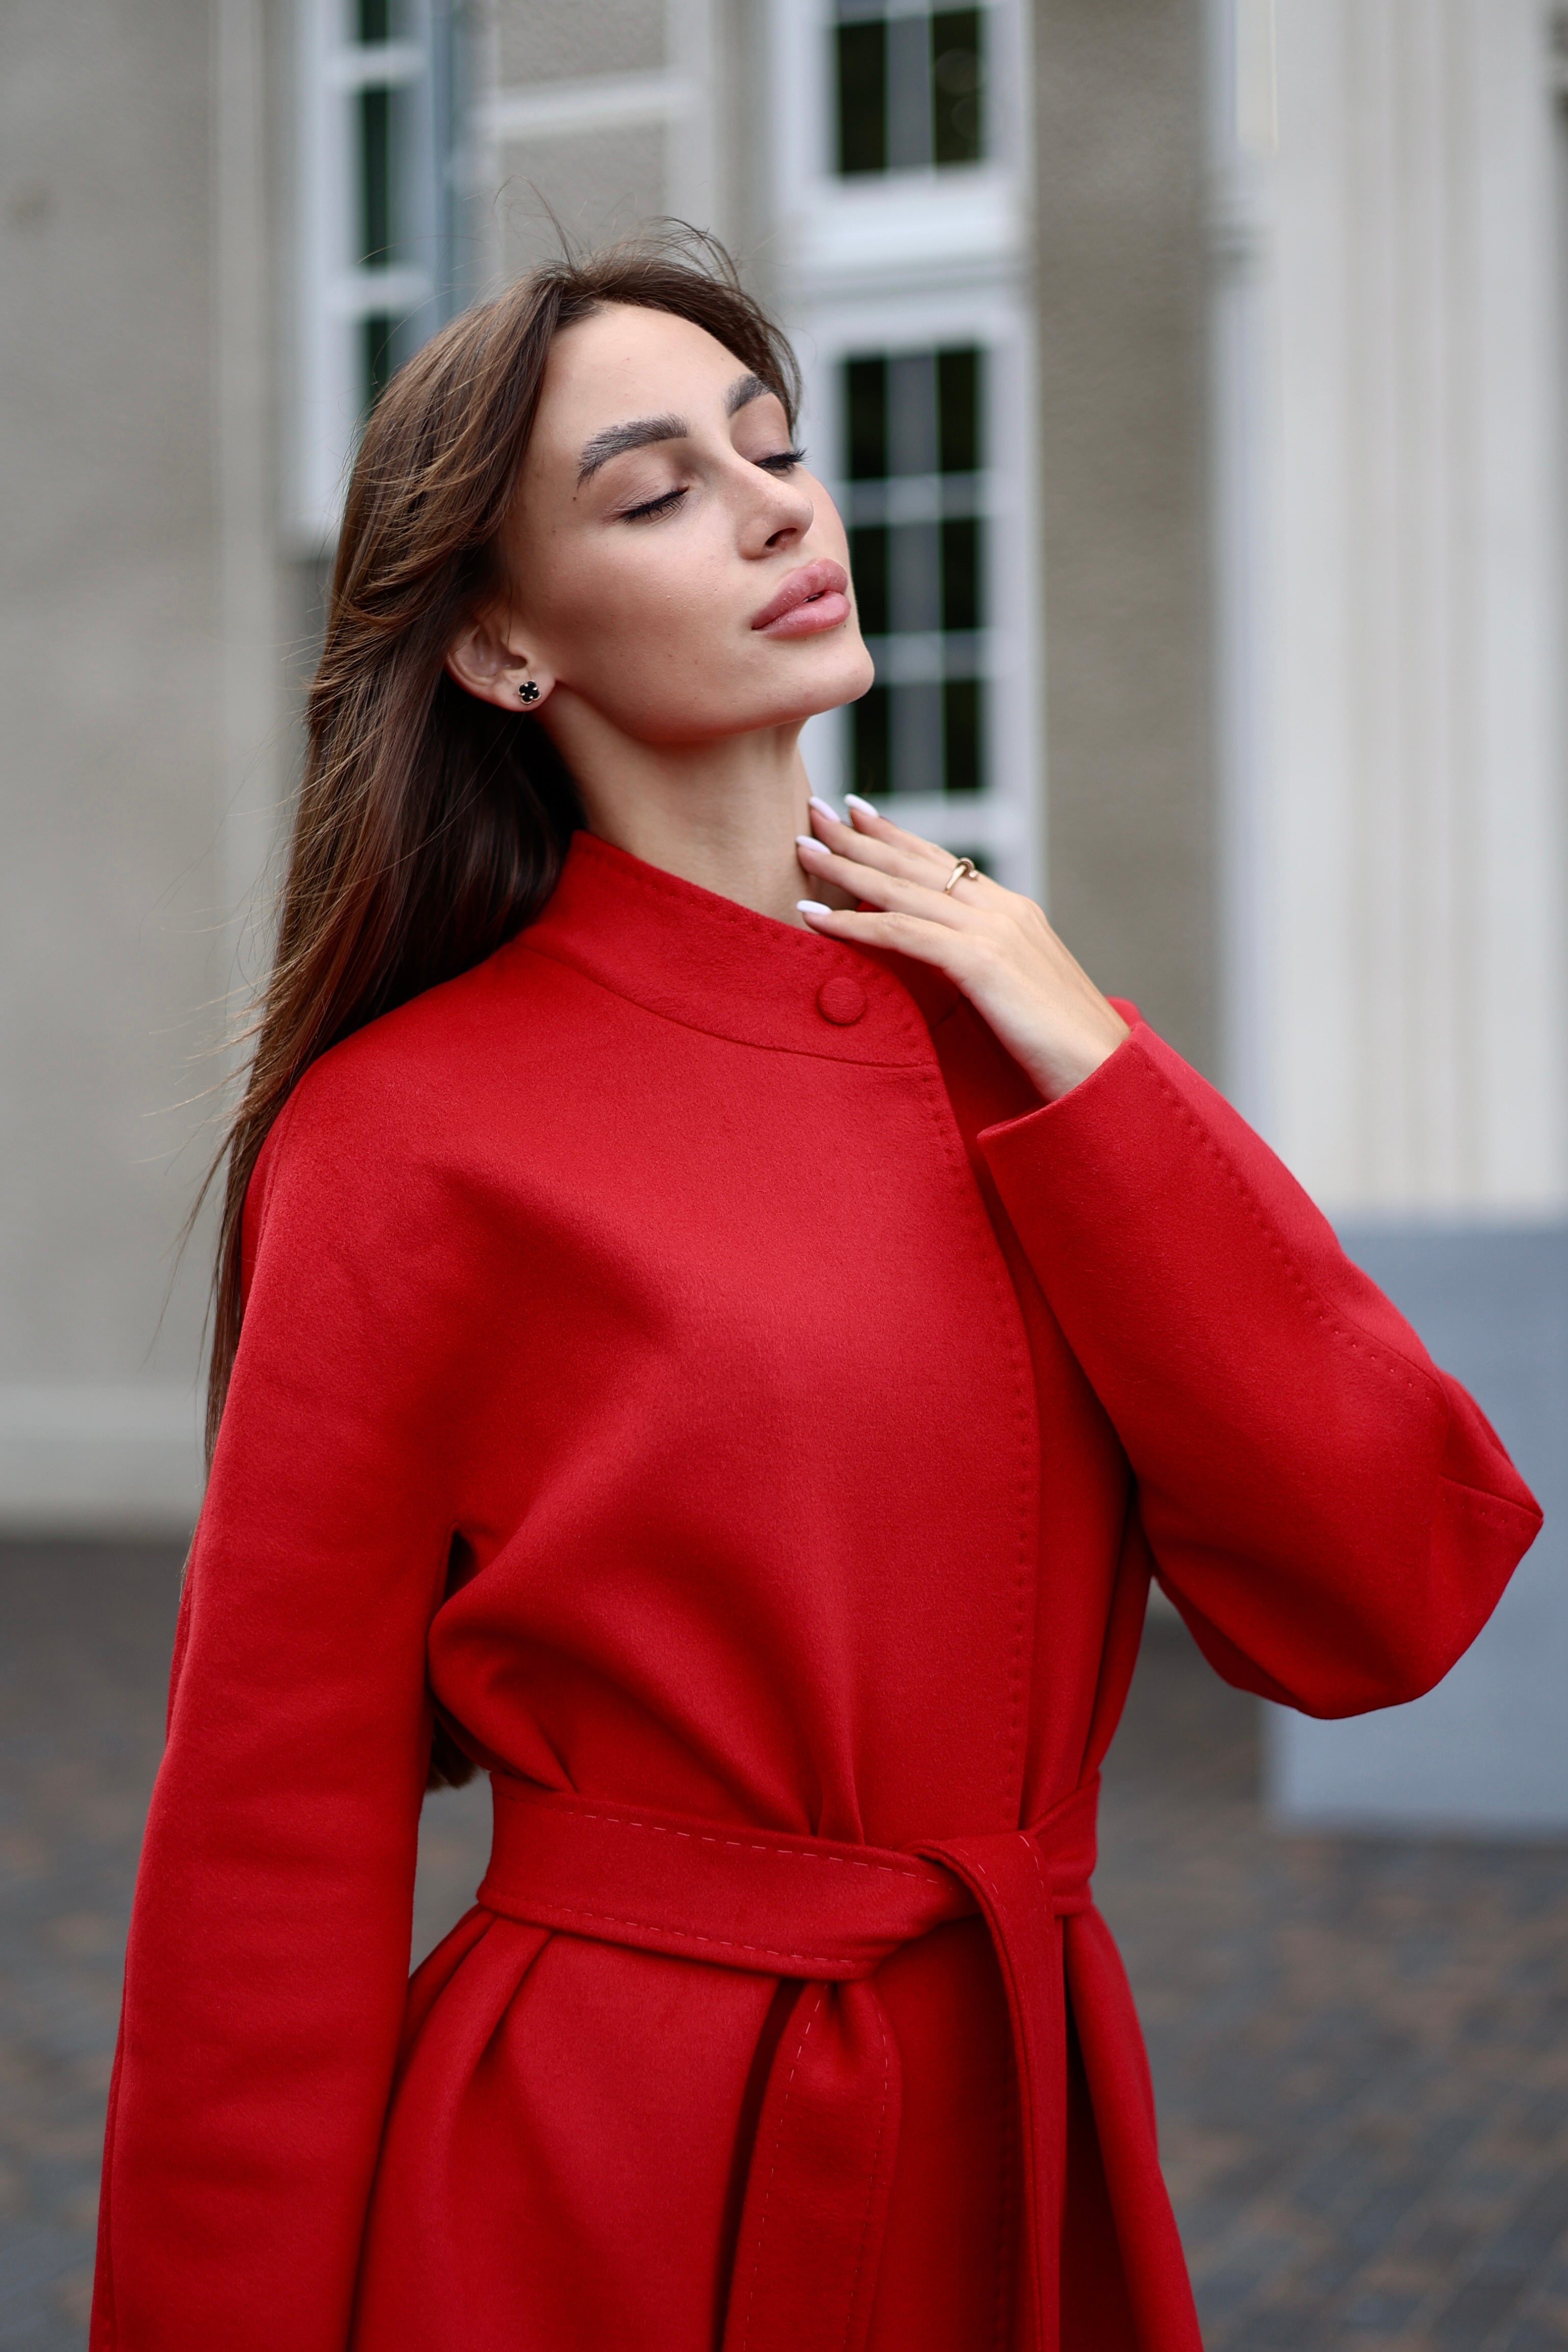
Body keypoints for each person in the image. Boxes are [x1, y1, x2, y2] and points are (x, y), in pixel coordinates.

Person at [90, 232, 1540, 2352]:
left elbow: (1383, 1592)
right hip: (600, 2187)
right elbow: (261, 1854)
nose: (779, 505)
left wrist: (1102, 1068)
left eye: (776, 449)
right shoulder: (404, 1135)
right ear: (502, 648)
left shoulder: (1020, 1046)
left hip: (1018, 2131)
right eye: (658, 486)